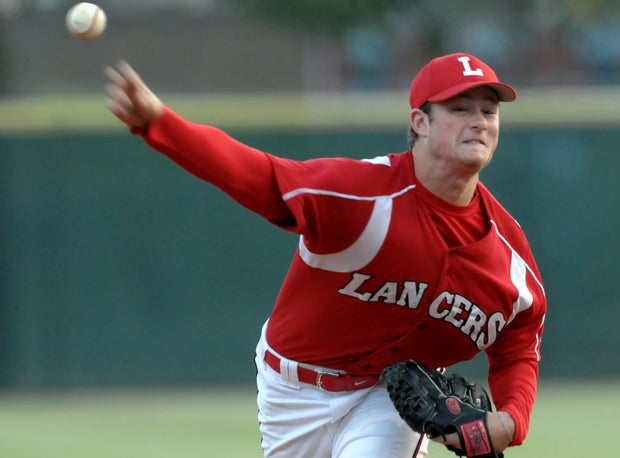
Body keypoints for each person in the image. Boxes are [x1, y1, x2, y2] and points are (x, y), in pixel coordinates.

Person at [105, 52, 546, 457]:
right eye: (460, 109)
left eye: (489, 111)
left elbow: (519, 343)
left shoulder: (508, 256)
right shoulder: (363, 195)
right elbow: (257, 174)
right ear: (421, 122)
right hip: (291, 388)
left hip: (388, 399)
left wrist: (511, 422)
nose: (480, 122)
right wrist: (159, 124)